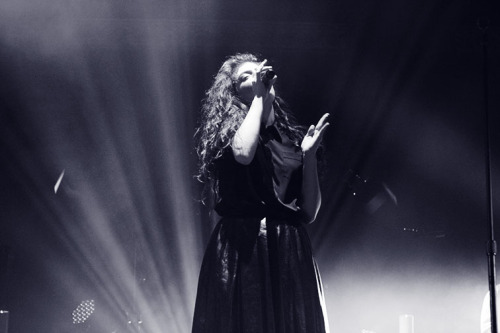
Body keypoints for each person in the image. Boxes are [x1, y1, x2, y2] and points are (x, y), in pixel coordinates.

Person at [192, 53, 330, 333]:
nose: (257, 77)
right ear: (232, 92)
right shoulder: (228, 132)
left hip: (288, 244)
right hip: (244, 242)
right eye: (246, 76)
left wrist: (310, 157)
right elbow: (243, 154)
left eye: (260, 72)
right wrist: (258, 98)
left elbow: (308, 212)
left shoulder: (290, 140)